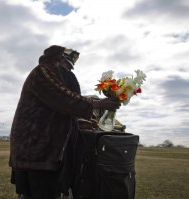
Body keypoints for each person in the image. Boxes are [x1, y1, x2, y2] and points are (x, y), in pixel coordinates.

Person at [9, 45, 121, 199]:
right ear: (57, 59)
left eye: (70, 68)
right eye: (67, 65)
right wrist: (98, 104)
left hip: (46, 151)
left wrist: (80, 122)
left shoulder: (55, 74)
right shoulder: (41, 72)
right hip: (35, 149)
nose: (68, 71)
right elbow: (62, 98)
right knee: (38, 192)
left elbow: (57, 111)